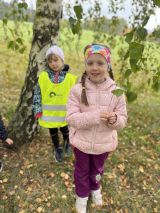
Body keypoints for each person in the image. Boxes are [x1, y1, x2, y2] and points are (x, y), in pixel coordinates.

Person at [66, 44, 128, 213]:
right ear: (85, 65)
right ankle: (81, 196)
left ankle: (95, 188)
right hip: (82, 143)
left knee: (97, 170)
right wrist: (93, 117)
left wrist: (115, 120)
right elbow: (71, 118)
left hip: (104, 143)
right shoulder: (77, 90)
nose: (94, 67)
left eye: (100, 63)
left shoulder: (117, 91)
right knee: (82, 170)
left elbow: (122, 119)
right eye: (90, 63)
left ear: (107, 65)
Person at [33, 45, 77, 163]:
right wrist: (37, 109)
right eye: (50, 61)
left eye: (56, 60)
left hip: (64, 114)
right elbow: (38, 93)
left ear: (62, 60)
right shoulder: (43, 77)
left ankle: (67, 142)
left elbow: (75, 96)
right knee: (53, 131)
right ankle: (57, 147)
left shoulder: (70, 78)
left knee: (65, 129)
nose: (53, 63)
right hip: (50, 114)